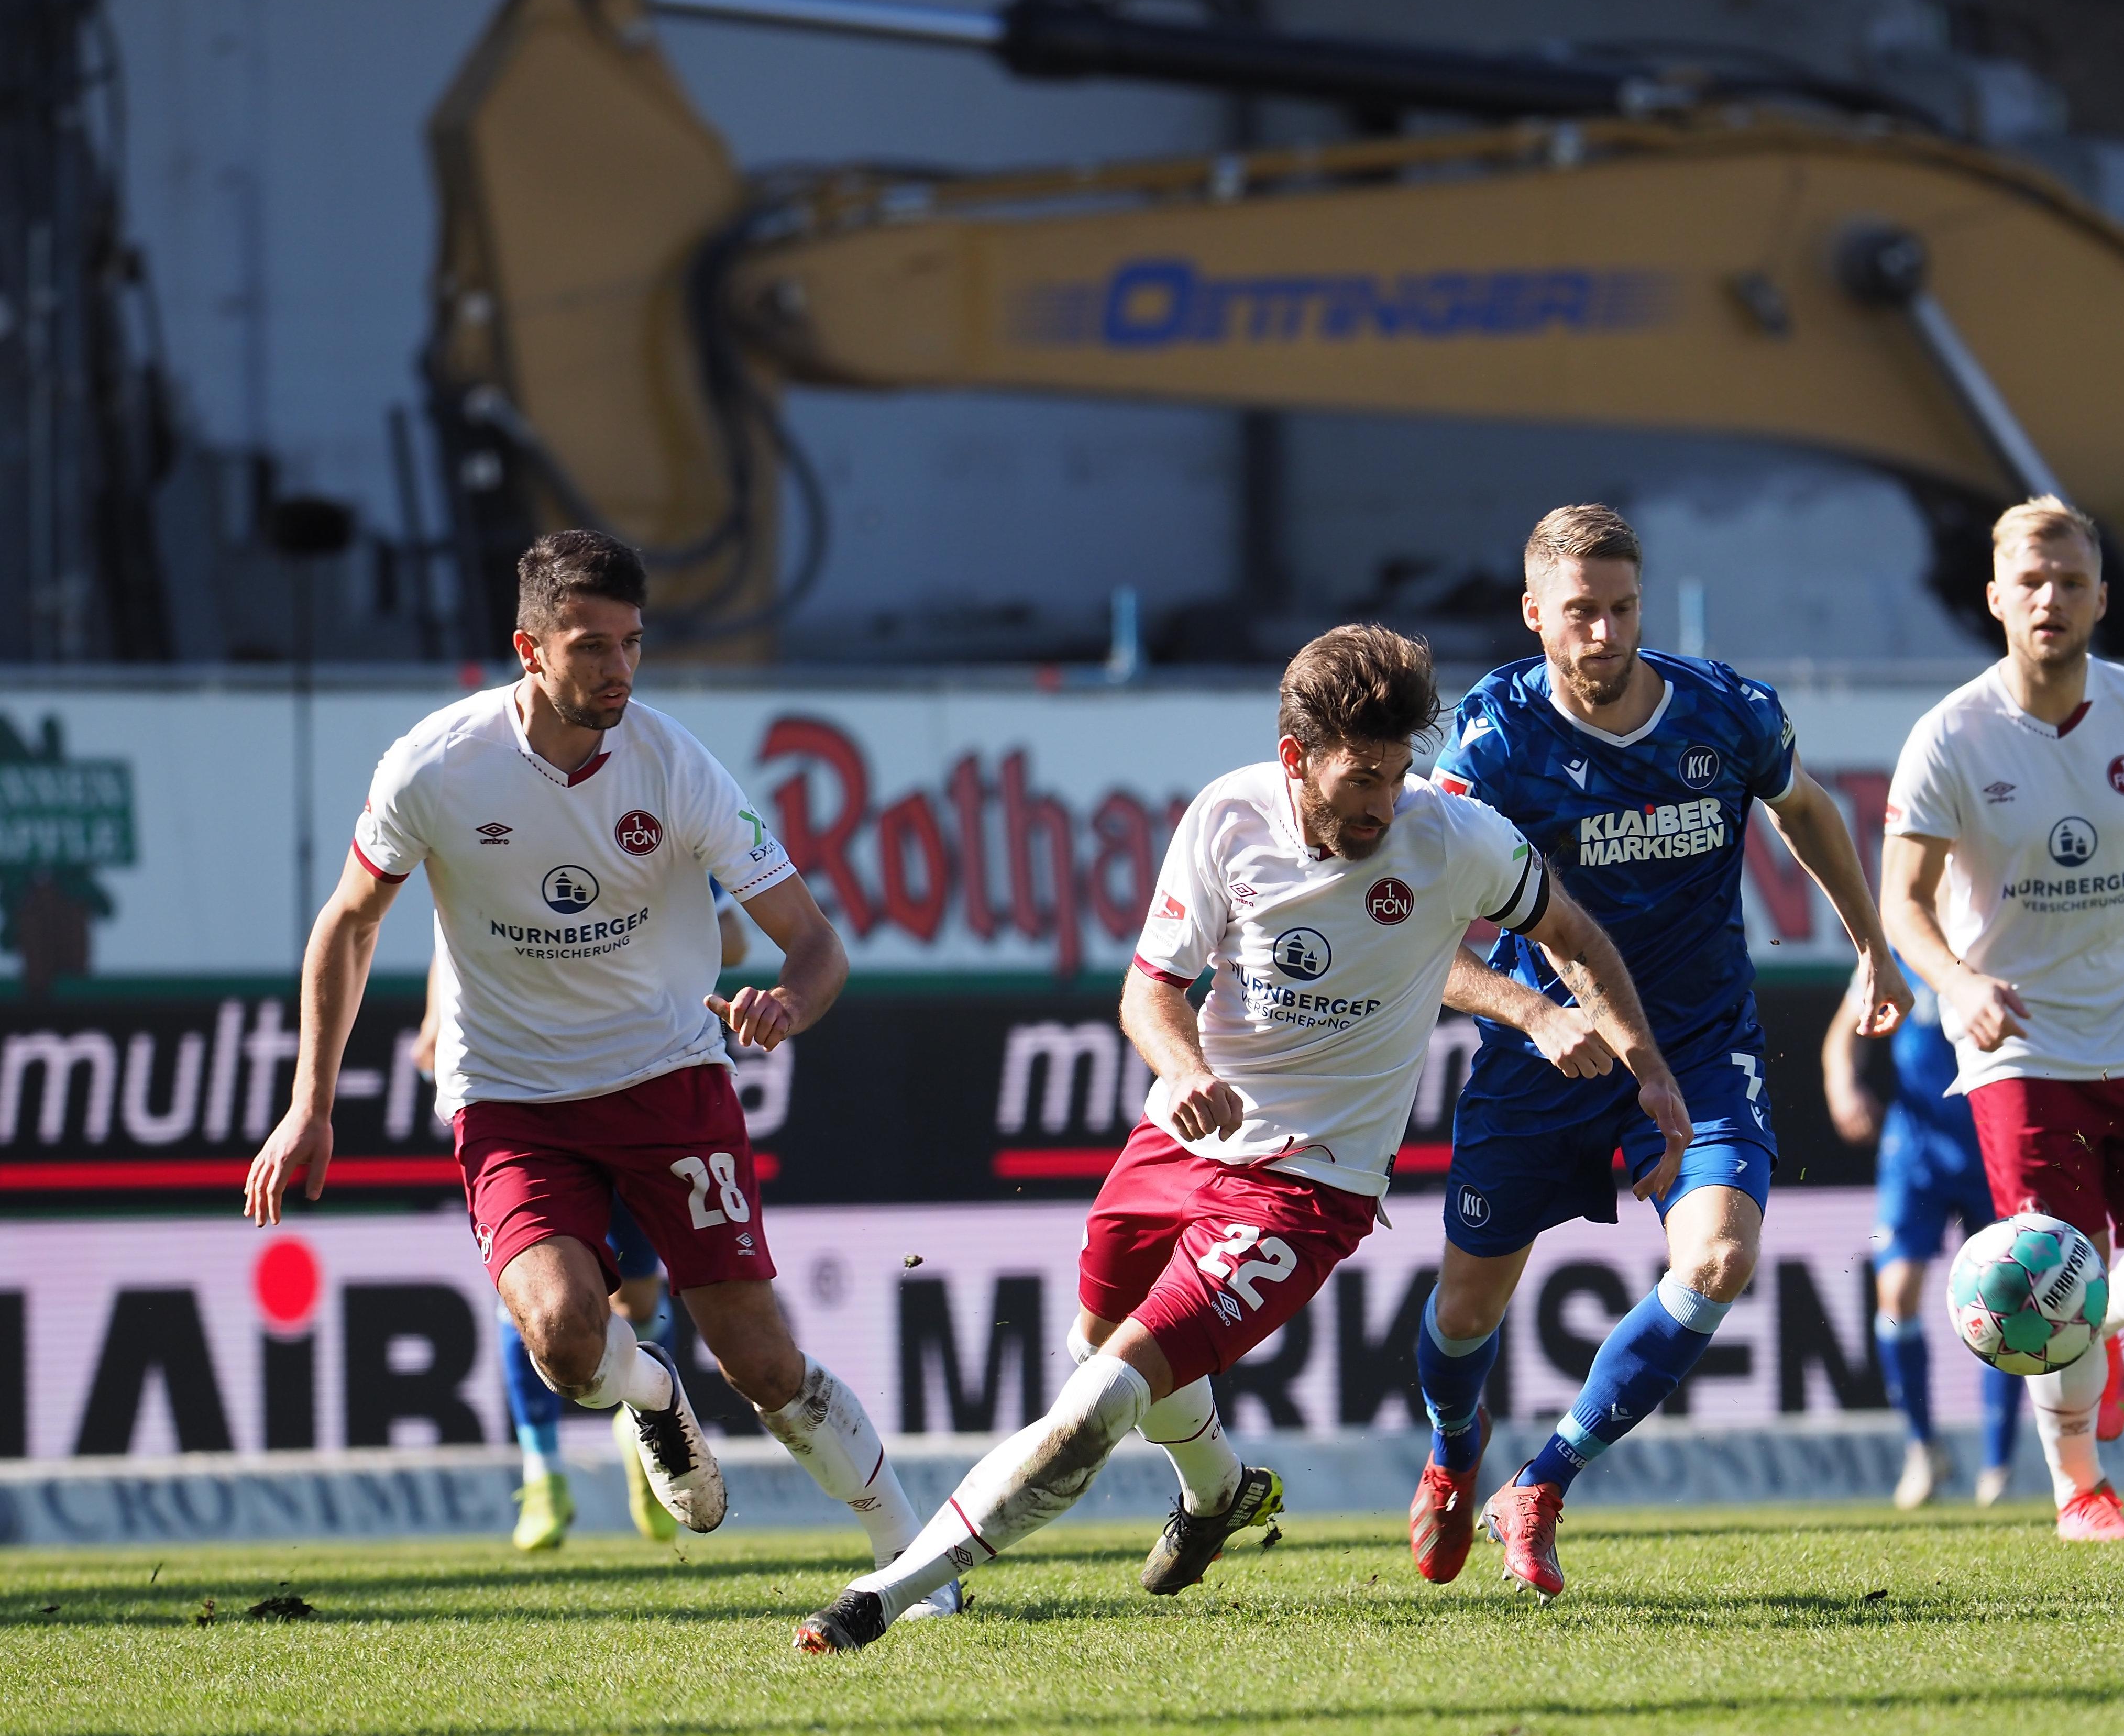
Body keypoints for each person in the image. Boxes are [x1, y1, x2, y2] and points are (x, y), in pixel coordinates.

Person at [792, 623, 1677, 1652]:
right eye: (1362, 778)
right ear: (1296, 758)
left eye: (1398, 775)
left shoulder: (1453, 837)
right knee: (1091, 1344)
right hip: (1183, 1140)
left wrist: (1634, 1059)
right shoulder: (1226, 815)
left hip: (1311, 1188)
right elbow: (1150, 988)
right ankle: (1219, 1493)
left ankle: (882, 1598)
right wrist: (1184, 1071)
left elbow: (1568, 931)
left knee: (1098, 1401)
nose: (1384, 803)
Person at [245, 528, 951, 1606]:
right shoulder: (432, 766)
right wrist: (309, 1107)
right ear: (528, 648)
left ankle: (911, 1553)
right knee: (568, 1343)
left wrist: (788, 1003)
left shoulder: (677, 767)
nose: (618, 670)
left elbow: (818, 944)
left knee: (762, 1366)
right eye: (591, 647)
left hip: (669, 1083)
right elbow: (347, 926)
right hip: (510, 1097)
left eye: (631, 644)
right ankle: (647, 1391)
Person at [1415, 504, 1909, 1601]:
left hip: (1693, 1047)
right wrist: (1532, 1014)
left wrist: (1873, 948)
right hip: (1551, 1056)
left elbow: (1808, 809)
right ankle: (1457, 1449)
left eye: (1622, 608)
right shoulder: (1491, 740)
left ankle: (1540, 1484)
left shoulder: (1724, 711)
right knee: (1464, 1316)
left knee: (1719, 1261)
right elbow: (1418, 944)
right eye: (1580, 613)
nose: (1605, 635)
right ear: (1535, 615)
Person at [1880, 495, 2124, 1542]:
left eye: (2070, 581)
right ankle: (2078, 1486)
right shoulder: (1949, 737)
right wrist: (1959, 987)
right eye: (2031, 581)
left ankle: (2105, 1332)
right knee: (2053, 1263)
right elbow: (1900, 904)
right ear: (1997, 597)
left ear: (2100, 597)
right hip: (2022, 1050)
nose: (2050, 599)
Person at [416, 893, 751, 1551]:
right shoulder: (483, 819)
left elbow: (732, 939)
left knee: (640, 1293)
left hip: (632, 1080)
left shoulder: (644, 819)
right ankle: (543, 1472)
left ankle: (640, 1419)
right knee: (532, 1284)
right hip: (519, 1088)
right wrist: (436, 1013)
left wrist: (628, 937)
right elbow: (459, 928)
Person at [1822, 961, 2024, 1510]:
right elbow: (1843, 1034)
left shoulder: (1994, 933)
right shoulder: (1898, 948)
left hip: (1992, 1143)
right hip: (1916, 1149)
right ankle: (1922, 1447)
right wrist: (1843, 1086)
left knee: (2008, 1302)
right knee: (1896, 1296)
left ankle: (1999, 1467)